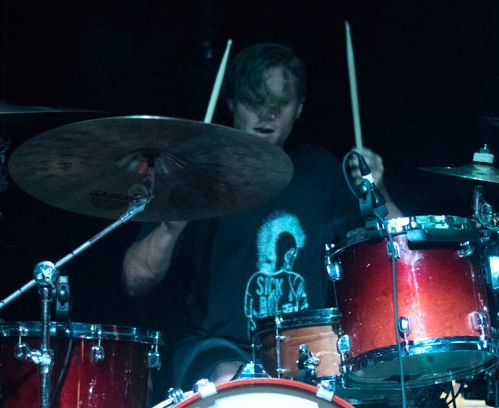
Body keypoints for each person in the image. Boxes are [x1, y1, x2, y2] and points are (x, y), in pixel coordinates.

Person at [122, 42, 402, 388]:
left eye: (279, 104)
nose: (266, 115)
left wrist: (377, 190)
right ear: (231, 102)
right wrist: (169, 227)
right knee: (233, 378)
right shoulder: (200, 174)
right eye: (254, 101)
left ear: (299, 108)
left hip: (308, 351)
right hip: (218, 348)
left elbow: (398, 253)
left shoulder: (319, 171)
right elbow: (135, 279)